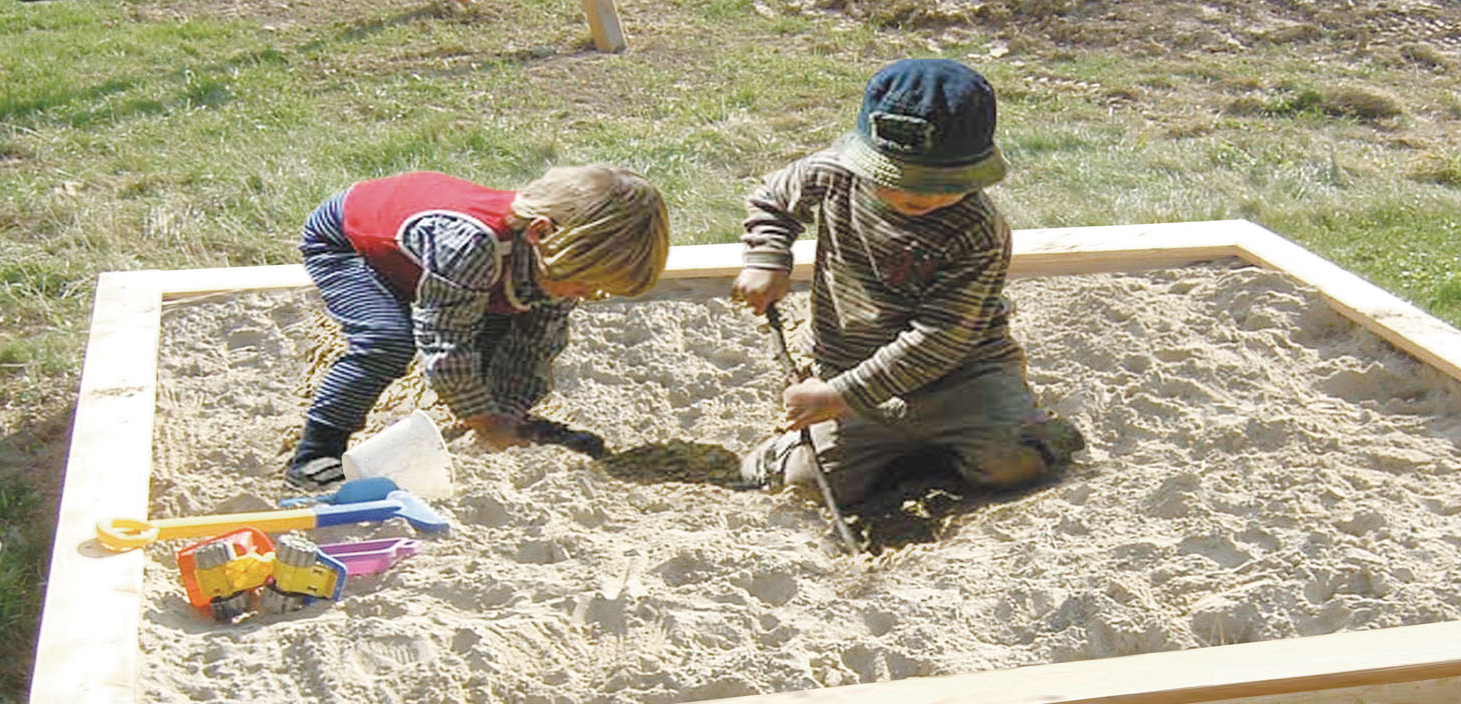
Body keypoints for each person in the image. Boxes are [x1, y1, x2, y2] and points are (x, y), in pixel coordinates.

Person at [731, 58, 1082, 509]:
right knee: (805, 484)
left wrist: (838, 397)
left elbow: (939, 339)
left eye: (941, 184)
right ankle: (904, 457)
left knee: (1012, 464)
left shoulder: (977, 231)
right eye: (897, 180)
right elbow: (773, 197)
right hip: (847, 364)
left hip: (963, 379)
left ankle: (1013, 434)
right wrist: (767, 259)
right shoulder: (835, 173)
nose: (919, 196)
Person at [287, 164, 670, 488]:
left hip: (440, 264)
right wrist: (484, 419)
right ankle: (317, 449)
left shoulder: (558, 255)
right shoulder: (472, 245)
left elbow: (537, 346)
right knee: (388, 340)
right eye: (584, 285)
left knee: (504, 325)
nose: (585, 296)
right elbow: (444, 342)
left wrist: (508, 412)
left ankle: (488, 416)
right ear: (541, 233)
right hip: (350, 244)